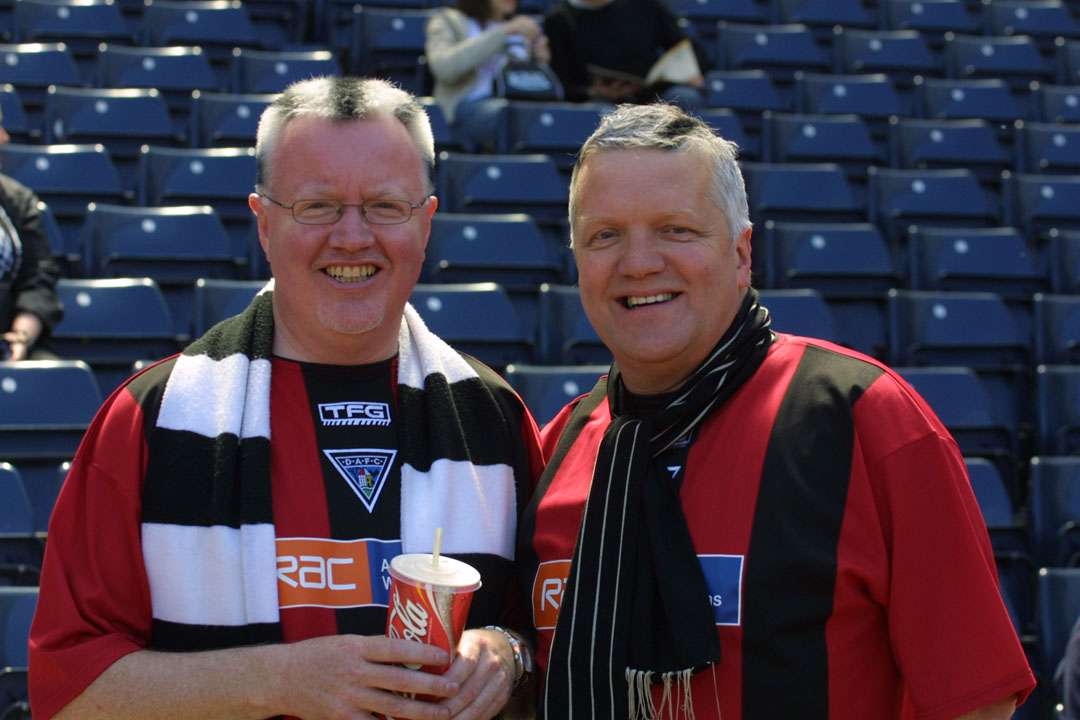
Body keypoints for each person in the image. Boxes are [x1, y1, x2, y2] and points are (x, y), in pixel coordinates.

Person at [29, 76, 544, 720]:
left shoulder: (494, 416)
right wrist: (274, 681)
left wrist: (508, 654)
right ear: (265, 223)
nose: (352, 237)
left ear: (426, 222)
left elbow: (558, 650)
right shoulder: (149, 420)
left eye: (385, 206)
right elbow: (66, 694)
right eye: (316, 206)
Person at [516, 102, 1037, 720]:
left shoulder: (865, 420)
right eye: (605, 236)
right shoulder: (558, 446)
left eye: (676, 230)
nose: (638, 262)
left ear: (742, 254)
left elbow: (976, 701)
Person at [425, 0, 551, 152]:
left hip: (514, 104)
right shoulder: (448, 19)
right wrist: (502, 32)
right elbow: (444, 68)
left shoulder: (521, 28)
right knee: (513, 115)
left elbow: (527, 82)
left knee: (546, 116)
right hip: (466, 108)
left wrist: (539, 60)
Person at [542, 0, 705, 110]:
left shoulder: (644, 5)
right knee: (601, 115)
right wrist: (593, 92)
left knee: (685, 97)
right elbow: (563, 84)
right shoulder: (559, 19)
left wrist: (688, 71)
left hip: (653, 93)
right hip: (600, 100)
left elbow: (689, 49)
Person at [0, 105, 63, 362]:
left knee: (54, 375)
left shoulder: (17, 199)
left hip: (7, 340)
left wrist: (20, 338)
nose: (4, 137)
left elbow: (37, 278)